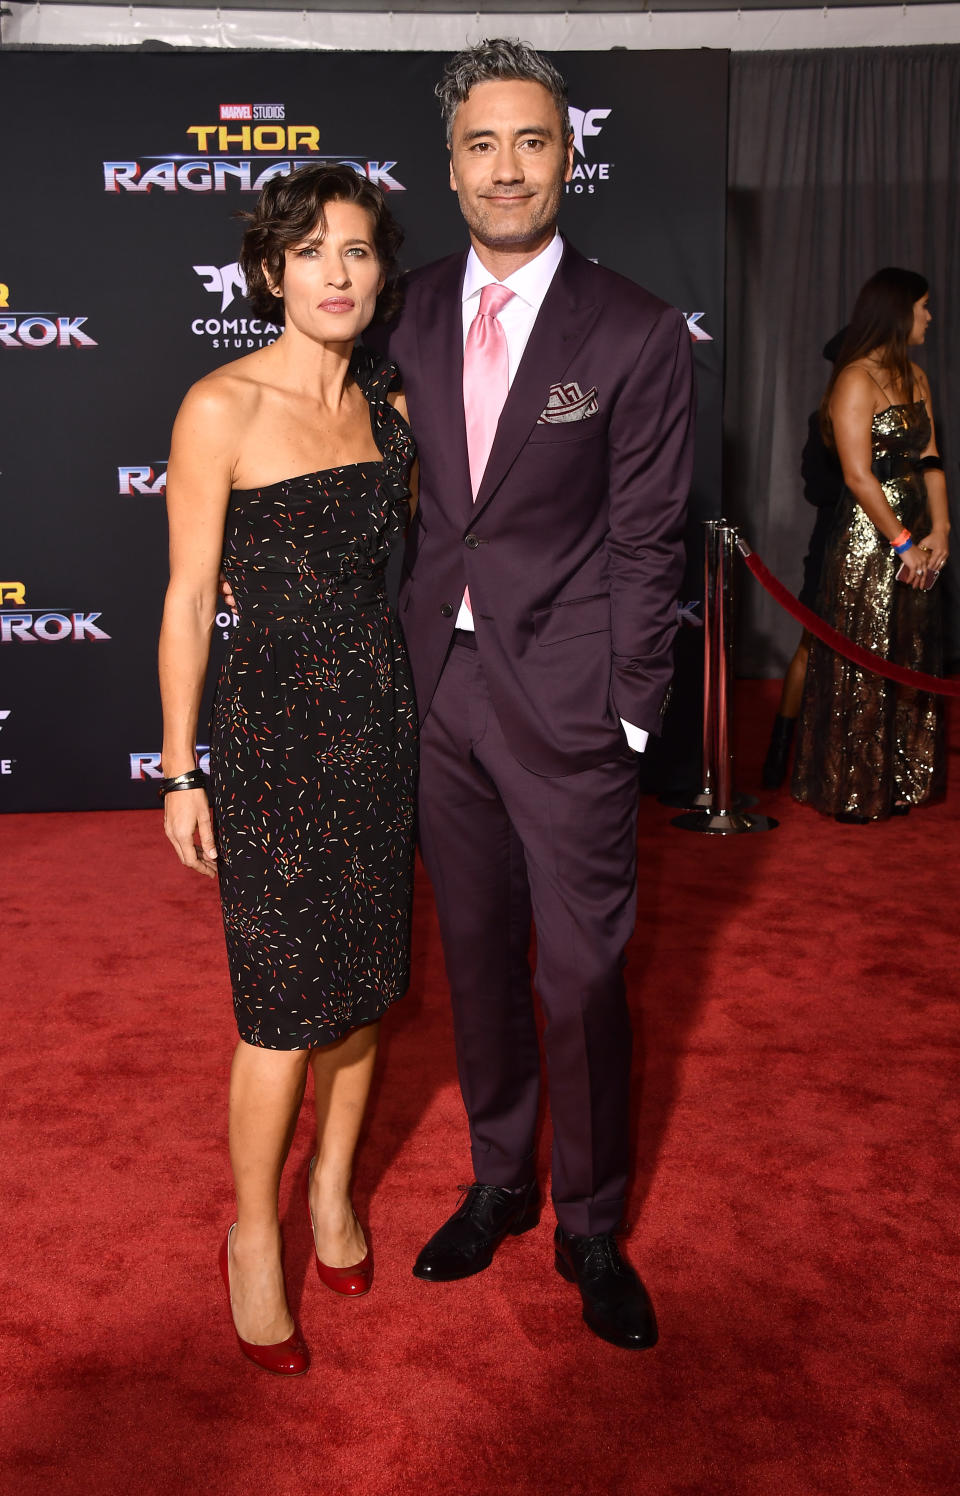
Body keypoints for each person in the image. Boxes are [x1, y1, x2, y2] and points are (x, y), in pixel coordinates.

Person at [365, 39, 695, 1349]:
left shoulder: (634, 328)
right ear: (449, 168)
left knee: (584, 975)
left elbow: (648, 534)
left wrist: (622, 710)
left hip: (568, 705)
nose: (507, 167)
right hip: (438, 689)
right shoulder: (399, 306)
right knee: (476, 964)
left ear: (571, 155)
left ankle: (593, 1221)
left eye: (532, 141)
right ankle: (501, 1179)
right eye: (481, 144)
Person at [158, 165, 417, 1375]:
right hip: (269, 743)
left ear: (379, 272)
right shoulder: (222, 405)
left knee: (361, 991)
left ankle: (330, 1190)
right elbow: (187, 594)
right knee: (278, 1015)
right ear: (271, 271)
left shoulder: (391, 404)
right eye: (311, 251)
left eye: (356, 253)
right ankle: (254, 1233)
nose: (335, 274)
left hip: (380, 732)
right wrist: (178, 765)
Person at [791, 268, 948, 823]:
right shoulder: (855, 379)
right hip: (869, 541)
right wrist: (903, 542)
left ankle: (902, 779)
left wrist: (942, 531)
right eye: (924, 307)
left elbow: (930, 459)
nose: (930, 317)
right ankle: (856, 788)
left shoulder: (917, 376)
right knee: (867, 656)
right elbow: (858, 477)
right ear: (899, 311)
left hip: (920, 537)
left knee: (911, 652)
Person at [761, 331, 847, 790]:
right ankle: (779, 749)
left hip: (873, 546)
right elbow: (816, 490)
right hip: (832, 544)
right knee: (809, 646)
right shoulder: (825, 420)